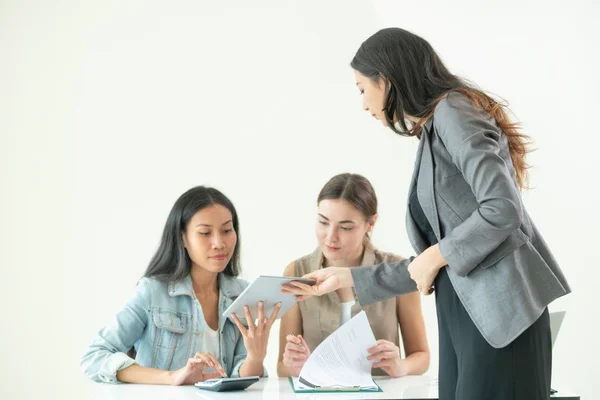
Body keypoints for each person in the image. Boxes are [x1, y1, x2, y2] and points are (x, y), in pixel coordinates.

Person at [282, 27, 571, 400]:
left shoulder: (453, 109)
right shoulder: (434, 130)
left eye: (361, 88)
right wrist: (347, 277)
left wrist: (434, 255)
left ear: (384, 80)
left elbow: (502, 209)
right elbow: (436, 260)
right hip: (466, 317)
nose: (363, 103)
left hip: (500, 323)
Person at [81, 186, 278, 385]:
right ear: (182, 238)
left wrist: (256, 358)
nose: (219, 243)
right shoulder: (152, 292)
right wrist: (173, 377)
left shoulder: (243, 294)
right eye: (205, 233)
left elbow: (242, 380)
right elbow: (94, 357)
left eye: (227, 230)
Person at [277, 173, 430, 378]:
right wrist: (296, 365)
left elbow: (422, 356)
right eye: (323, 222)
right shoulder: (296, 272)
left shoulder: (396, 271)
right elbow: (282, 367)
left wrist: (401, 366)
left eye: (346, 227)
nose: (331, 237)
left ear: (371, 223)